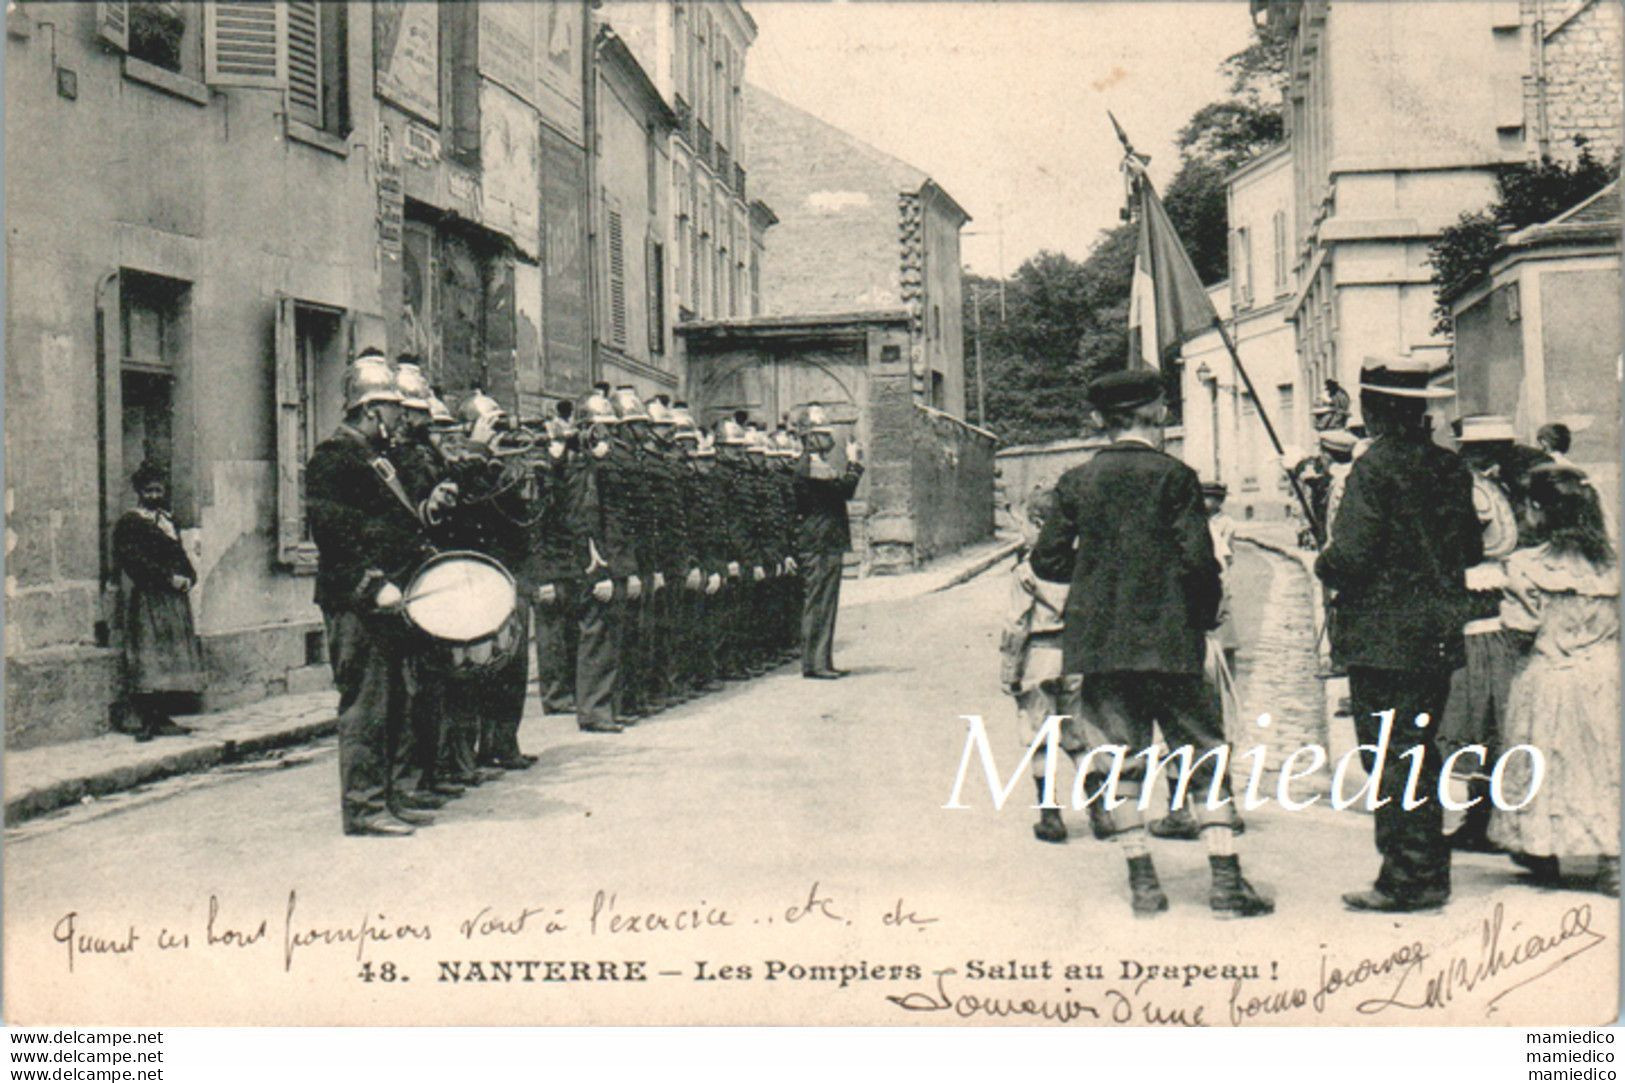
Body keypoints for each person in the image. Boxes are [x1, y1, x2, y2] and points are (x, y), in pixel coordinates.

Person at [1032, 370, 1271, 919]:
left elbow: (1046, 559)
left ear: (1104, 421)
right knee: (1203, 754)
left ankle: (1143, 884)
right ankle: (1227, 886)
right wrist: (1204, 616)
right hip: (1170, 639)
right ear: (1154, 412)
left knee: (1116, 761)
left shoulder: (1076, 480)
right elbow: (1198, 561)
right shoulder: (1176, 476)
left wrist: (1097, 576)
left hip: (1101, 643)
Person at [1314, 357, 1481, 912]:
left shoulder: (1375, 468)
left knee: (1389, 754)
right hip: (1435, 634)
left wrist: (1325, 562)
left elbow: (1353, 557)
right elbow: (1471, 550)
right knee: (1419, 750)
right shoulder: (1450, 467)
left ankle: (1406, 878)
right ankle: (1426, 870)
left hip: (1383, 638)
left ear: (1373, 408)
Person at [305, 351, 457, 836]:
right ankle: (364, 808)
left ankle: (388, 798)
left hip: (390, 600)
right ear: (372, 409)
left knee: (392, 704)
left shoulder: (378, 458)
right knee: (366, 706)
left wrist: (428, 514)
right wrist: (373, 585)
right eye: (395, 407)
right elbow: (334, 535)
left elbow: (392, 527)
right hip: (358, 602)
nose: (403, 416)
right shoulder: (334, 458)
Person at [1487, 465, 1619, 896]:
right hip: (1606, 676)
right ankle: (1612, 859)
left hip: (1550, 676)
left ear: (1540, 511)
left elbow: (1521, 628)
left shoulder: (1527, 566)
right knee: (1605, 766)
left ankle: (1542, 850)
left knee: (1546, 763)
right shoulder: (1611, 566)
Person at [1001, 487, 1107, 844]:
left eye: (1025, 526)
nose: (1023, 535)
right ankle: (1101, 811)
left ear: (1040, 524)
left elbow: (1016, 626)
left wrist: (1009, 672)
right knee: (1077, 736)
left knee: (1039, 740)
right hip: (1074, 656)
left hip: (1039, 657)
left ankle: (1051, 817)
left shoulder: (1026, 572)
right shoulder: (1081, 566)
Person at [1437, 415, 1523, 852]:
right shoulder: (1475, 490)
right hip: (1477, 608)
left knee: (1485, 717)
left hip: (1490, 611)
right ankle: (1474, 813)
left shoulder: (1489, 488)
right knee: (1475, 716)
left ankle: (1481, 813)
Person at [112, 462, 204, 742]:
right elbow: (134, 562)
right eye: (149, 490)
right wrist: (167, 578)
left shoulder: (168, 521)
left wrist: (189, 577)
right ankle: (146, 718)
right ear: (139, 492)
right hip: (150, 597)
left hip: (174, 600)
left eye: (158, 490)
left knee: (171, 655)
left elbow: (181, 556)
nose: (154, 495)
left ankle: (163, 716)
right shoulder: (130, 523)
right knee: (150, 655)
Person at [792, 405, 864, 680]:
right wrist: (854, 464)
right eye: (821, 434)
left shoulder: (816, 463)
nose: (828, 439)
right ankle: (815, 663)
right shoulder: (811, 465)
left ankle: (821, 660)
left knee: (825, 602)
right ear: (809, 437)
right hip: (819, 541)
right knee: (820, 601)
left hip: (824, 540)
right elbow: (843, 490)